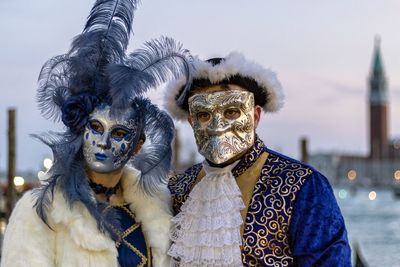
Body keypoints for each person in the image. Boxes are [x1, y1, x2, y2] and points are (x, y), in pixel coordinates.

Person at [0, 1, 192, 266]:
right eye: (96, 128)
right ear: (81, 128)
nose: (103, 143)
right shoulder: (40, 211)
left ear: (137, 146)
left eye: (119, 133)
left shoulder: (159, 206)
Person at [165, 52, 352, 266]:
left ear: (255, 116)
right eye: (204, 115)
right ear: (191, 121)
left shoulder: (301, 186)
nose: (217, 126)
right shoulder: (179, 187)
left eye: (232, 112)